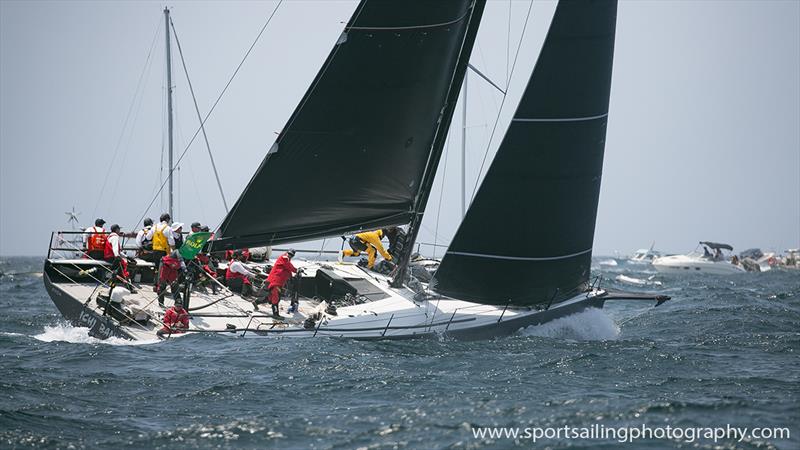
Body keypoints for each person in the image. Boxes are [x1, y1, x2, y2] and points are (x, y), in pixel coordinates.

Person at [264, 249, 297, 317]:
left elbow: (288, 270)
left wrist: (291, 278)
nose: (290, 256)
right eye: (289, 254)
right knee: (276, 298)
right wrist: (296, 270)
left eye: (292, 255)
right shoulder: (284, 258)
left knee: (271, 298)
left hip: (279, 282)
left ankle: (256, 302)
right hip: (275, 281)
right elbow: (289, 266)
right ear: (287, 252)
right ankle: (275, 314)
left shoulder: (287, 260)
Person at [103, 224, 136, 294]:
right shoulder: (115, 237)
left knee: (119, 270)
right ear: (117, 230)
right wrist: (118, 257)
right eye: (119, 229)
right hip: (112, 257)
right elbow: (115, 249)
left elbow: (117, 250)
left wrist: (126, 256)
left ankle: (115, 282)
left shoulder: (110, 236)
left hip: (108, 256)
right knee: (124, 267)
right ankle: (129, 286)